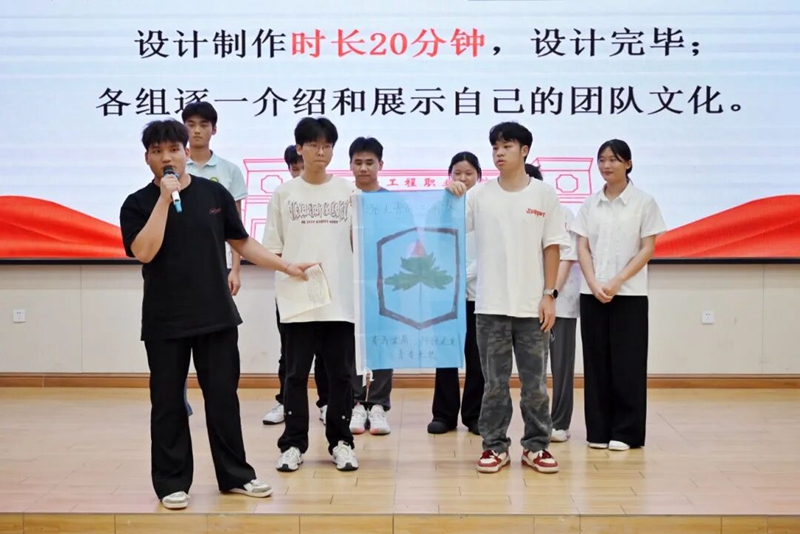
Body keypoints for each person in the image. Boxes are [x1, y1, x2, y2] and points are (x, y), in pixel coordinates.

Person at [119, 119, 314, 510]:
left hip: (216, 316)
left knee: (223, 399)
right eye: (157, 151)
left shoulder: (214, 193)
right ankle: (172, 482)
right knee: (168, 402)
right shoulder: (137, 204)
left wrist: (284, 265)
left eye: (173, 149)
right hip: (165, 320)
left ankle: (235, 475)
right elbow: (144, 251)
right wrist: (163, 200)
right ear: (147, 159)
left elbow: (241, 241)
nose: (166, 157)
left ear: (185, 152)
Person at [446, 122, 567, 475]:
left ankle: (536, 446)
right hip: (490, 307)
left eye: (507, 146)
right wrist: (451, 197)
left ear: (524, 150)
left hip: (533, 307)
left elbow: (552, 247)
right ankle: (495, 446)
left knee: (535, 385)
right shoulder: (479, 195)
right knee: (494, 385)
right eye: (495, 147)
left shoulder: (544, 194)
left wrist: (549, 295)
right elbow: (451, 226)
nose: (499, 153)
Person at [264, 117, 359, 472]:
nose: (321, 151)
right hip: (297, 299)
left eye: (327, 145)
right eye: (314, 145)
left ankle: (341, 442)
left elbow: (362, 243)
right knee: (295, 375)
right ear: (299, 149)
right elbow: (272, 248)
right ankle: (292, 444)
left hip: (340, 300)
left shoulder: (349, 192)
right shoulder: (284, 194)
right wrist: (289, 267)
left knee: (341, 375)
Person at [571, 139, 666, 451]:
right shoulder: (590, 204)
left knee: (628, 364)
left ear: (628, 163)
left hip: (629, 294)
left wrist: (616, 281)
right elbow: (582, 246)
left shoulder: (644, 202)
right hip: (592, 293)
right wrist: (593, 282)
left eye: (613, 159)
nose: (606, 165)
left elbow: (647, 248)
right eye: (602, 159)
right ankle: (598, 432)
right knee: (596, 363)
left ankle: (626, 432)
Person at [178, 102, 248, 417]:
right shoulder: (173, 167)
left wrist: (236, 269)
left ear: (214, 129)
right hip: (179, 265)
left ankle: (219, 404)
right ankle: (178, 398)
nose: (196, 130)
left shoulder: (229, 171)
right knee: (177, 334)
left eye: (203, 124)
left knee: (216, 338)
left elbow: (236, 229)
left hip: (215, 265)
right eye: (190, 124)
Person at [263, 145, 329, 426]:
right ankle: (286, 403)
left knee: (327, 352)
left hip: (328, 284)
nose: (301, 170)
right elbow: (272, 247)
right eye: (295, 167)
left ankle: (327, 402)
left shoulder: (336, 193)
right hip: (292, 285)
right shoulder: (283, 195)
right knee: (290, 354)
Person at [427, 152, 484, 436]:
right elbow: (431, 243)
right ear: (449, 175)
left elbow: (488, 250)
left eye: (469, 173)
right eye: (457, 173)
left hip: (478, 294)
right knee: (446, 355)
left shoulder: (485, 206)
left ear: (479, 177)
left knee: (478, 357)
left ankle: (475, 415)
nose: (463, 178)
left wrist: (464, 276)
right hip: (445, 293)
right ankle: (444, 414)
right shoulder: (439, 206)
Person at [525, 164, 580, 443]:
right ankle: (536, 423)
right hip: (524, 303)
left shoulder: (562, 212)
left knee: (560, 366)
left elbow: (566, 257)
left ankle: (559, 422)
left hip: (561, 302)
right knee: (533, 368)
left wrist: (551, 294)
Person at [347, 136, 394, 436]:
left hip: (384, 284)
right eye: (358, 162)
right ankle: (355, 403)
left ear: (380, 164)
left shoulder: (392, 202)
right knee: (351, 344)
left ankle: (377, 405)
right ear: (350, 165)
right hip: (347, 283)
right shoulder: (343, 198)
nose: (363, 168)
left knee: (383, 343)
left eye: (369, 162)